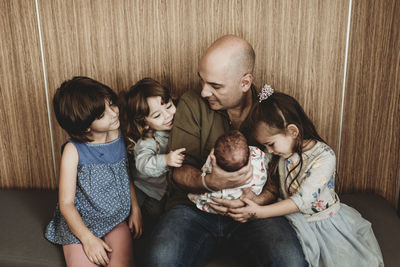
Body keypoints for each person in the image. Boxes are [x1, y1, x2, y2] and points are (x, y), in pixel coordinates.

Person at [146, 35, 307, 267]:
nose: (204, 92)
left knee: (290, 262)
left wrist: (258, 202)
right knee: (160, 260)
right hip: (194, 209)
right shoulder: (193, 104)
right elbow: (179, 172)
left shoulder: (271, 111)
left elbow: (279, 173)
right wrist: (211, 182)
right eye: (202, 81)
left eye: (215, 86)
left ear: (245, 82)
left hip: (253, 212)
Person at [220, 86, 384, 266]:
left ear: (292, 131)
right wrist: (254, 199)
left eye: (271, 144)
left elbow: (302, 200)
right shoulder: (278, 155)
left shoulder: (324, 156)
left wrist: (260, 212)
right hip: (291, 222)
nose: (268, 150)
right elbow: (273, 187)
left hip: (322, 224)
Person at [44, 76, 142, 267]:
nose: (114, 114)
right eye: (101, 115)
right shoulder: (73, 151)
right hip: (80, 223)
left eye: (112, 104)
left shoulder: (117, 135)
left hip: (115, 218)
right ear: (85, 125)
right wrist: (88, 239)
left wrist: (135, 208)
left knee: (122, 263)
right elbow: (66, 204)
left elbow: (124, 176)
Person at [121, 78, 186, 220]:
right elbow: (142, 163)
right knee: (151, 214)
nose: (167, 115)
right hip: (146, 190)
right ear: (145, 124)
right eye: (157, 115)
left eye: (168, 106)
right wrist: (166, 160)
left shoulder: (177, 125)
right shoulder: (148, 141)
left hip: (165, 190)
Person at [188, 130, 268, 213]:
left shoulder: (212, 163)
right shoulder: (256, 155)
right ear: (250, 154)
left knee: (205, 197)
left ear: (214, 158)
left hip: (217, 204)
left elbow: (205, 170)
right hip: (248, 197)